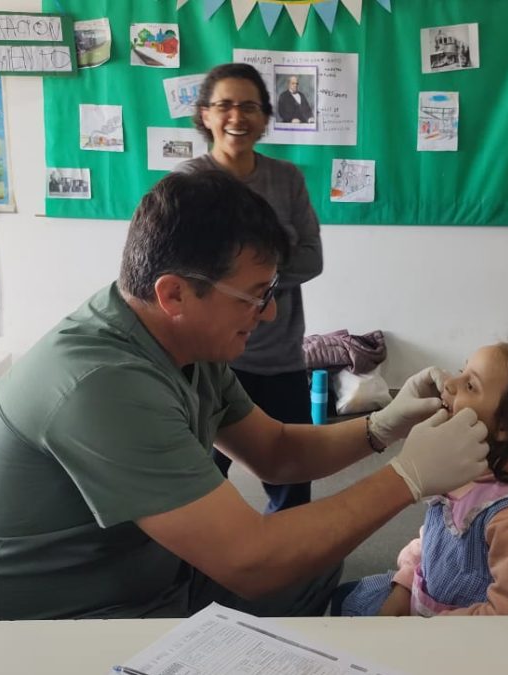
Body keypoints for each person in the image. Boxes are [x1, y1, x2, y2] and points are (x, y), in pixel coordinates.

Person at [0, 170, 490, 621]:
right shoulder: (104, 383)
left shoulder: (182, 342)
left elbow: (275, 451)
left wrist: (383, 427)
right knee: (286, 561)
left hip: (137, 576)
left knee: (317, 558)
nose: (269, 312)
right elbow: (249, 561)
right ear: (173, 293)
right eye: (255, 295)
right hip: (38, 624)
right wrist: (407, 479)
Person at [334, 343, 508, 616]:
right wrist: (403, 588)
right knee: (343, 600)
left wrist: (419, 633)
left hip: (465, 645)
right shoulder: (464, 473)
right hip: (423, 607)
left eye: (470, 385)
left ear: (505, 426)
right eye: (461, 370)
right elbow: (432, 545)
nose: (449, 383)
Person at [177, 63, 322, 512]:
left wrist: (242, 286)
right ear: (204, 115)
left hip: (280, 355)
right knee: (198, 476)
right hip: (209, 356)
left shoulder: (287, 179)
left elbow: (312, 258)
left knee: (292, 473)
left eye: (249, 106)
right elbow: (181, 268)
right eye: (224, 105)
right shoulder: (189, 182)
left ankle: (295, 571)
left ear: (265, 118)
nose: (236, 117)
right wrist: (262, 276)